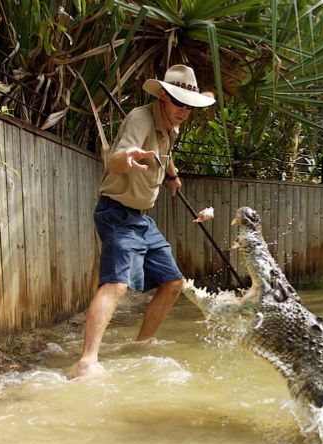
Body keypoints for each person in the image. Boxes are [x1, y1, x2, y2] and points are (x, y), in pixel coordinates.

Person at [69, 65, 216, 379]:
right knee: (116, 284)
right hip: (117, 214)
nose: (184, 111)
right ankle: (87, 361)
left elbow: (166, 154)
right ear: (163, 96)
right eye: (178, 103)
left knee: (173, 282)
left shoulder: (170, 126)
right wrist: (128, 157)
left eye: (189, 106)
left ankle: (143, 343)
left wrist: (172, 178)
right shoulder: (140, 118)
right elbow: (116, 157)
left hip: (141, 219)